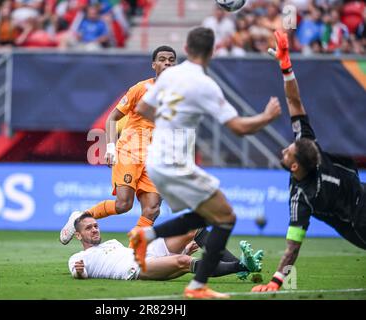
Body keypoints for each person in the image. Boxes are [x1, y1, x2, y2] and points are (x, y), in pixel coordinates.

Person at [129, 27, 282, 299]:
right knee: (226, 217)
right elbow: (238, 128)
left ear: (186, 50)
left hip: (155, 159)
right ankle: (197, 286)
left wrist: (170, 119)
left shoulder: (169, 76)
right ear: (212, 52)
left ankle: (146, 236)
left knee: (207, 214)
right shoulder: (205, 85)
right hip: (175, 161)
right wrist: (266, 117)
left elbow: (143, 109)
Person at [252, 30, 366, 292]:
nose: (284, 149)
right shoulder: (307, 168)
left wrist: (286, 67)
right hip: (360, 220)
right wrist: (286, 67)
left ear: (294, 166)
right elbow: (294, 100)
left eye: (287, 151)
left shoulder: (302, 185)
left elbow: (293, 247)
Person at [60, 46, 177, 247]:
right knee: (124, 204)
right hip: (130, 151)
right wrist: (111, 148)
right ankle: (82, 217)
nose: (167, 63)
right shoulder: (140, 89)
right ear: (154, 65)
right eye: (163, 59)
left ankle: (131, 255)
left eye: (171, 60)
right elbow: (113, 118)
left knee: (153, 209)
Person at [69, 213, 263, 281]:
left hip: (146, 254)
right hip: (136, 268)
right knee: (184, 262)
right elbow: (80, 273)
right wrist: (79, 272)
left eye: (96, 225)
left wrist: (183, 247)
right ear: (78, 235)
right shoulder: (79, 258)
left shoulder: (112, 243)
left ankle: (239, 263)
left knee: (193, 229)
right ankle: (242, 266)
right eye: (89, 228)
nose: (95, 230)